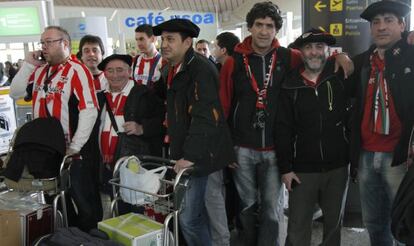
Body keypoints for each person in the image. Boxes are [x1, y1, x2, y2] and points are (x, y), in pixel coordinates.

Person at [219, 2, 353, 245]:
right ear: (250, 27)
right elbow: (224, 105)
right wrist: (226, 146)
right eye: (258, 25)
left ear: (276, 30)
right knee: (247, 207)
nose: (263, 31)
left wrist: (339, 55)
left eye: (269, 26)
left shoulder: (288, 57)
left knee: (272, 209)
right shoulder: (234, 62)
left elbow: (316, 58)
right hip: (242, 148)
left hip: (273, 149)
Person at [153, 18, 235, 246]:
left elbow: (205, 117)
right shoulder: (171, 67)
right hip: (188, 152)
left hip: (201, 156)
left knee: (191, 218)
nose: (164, 44)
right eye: (163, 39)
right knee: (195, 214)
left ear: (188, 42)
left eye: (170, 39)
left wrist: (188, 156)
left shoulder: (200, 69)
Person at [276, 29, 351, 246]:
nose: (314, 52)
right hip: (302, 171)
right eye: (308, 47)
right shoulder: (290, 84)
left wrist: (342, 56)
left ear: (328, 50)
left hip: (337, 167)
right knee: (298, 228)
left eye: (320, 47)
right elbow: (283, 130)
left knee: (333, 227)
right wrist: (285, 168)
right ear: (300, 52)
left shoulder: (340, 77)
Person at [349, 1, 414, 245]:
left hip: (400, 157)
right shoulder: (364, 61)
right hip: (366, 155)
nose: (381, 27)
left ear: (402, 24)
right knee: (375, 224)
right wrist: (343, 56)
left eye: (388, 20)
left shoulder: (411, 54)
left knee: (405, 225)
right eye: (376, 22)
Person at [10, 26, 98, 156]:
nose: (44, 46)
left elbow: (89, 111)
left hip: (67, 149)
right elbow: (15, 93)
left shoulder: (78, 71)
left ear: (65, 43)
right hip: (42, 144)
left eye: (49, 42)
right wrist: (28, 65)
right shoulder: (39, 70)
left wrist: (75, 146)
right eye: (42, 42)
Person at [95, 54, 165, 190]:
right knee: (116, 206)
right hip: (107, 166)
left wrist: (142, 128)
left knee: (137, 206)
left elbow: (163, 122)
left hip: (137, 167)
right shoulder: (100, 97)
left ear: (129, 71)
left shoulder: (145, 94)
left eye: (120, 70)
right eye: (110, 70)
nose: (115, 75)